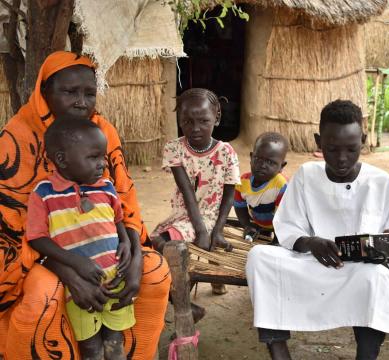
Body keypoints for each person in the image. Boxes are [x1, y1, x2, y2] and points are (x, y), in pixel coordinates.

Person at [246, 100, 389, 360]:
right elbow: (287, 226)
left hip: (360, 270)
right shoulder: (307, 175)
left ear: (363, 140)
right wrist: (311, 243)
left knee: (375, 279)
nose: (342, 158)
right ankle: (278, 351)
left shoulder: (381, 182)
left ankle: (366, 356)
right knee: (260, 258)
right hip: (312, 264)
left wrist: (383, 248)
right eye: (332, 149)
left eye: (351, 149)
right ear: (319, 142)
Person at [0, 51, 171, 359]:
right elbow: (15, 229)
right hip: (38, 257)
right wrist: (66, 270)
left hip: (106, 247)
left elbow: (123, 198)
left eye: (89, 93)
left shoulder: (101, 131)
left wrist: (132, 254)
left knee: (155, 272)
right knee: (45, 294)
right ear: (45, 92)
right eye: (69, 92)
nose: (81, 101)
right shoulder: (18, 137)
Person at [26, 119, 136, 360]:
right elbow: (36, 238)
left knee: (115, 343)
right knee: (91, 348)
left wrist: (125, 242)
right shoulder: (44, 194)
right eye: (94, 157)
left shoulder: (106, 186)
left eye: (103, 157)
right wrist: (75, 263)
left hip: (115, 280)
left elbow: (118, 219)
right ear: (62, 159)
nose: (102, 164)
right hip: (81, 288)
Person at [151, 88, 240, 299]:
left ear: (216, 118)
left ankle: (180, 297)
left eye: (203, 121)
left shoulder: (226, 152)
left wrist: (215, 231)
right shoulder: (174, 149)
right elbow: (187, 193)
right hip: (184, 215)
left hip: (209, 217)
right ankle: (184, 289)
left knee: (164, 242)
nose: (195, 128)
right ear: (179, 119)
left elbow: (229, 197)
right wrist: (200, 232)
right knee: (154, 240)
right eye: (187, 122)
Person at [234, 132, 288, 242]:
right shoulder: (242, 182)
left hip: (282, 226)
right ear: (251, 157)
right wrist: (247, 226)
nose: (262, 165)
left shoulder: (281, 186)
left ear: (281, 166)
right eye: (258, 158)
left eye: (270, 162)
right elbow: (240, 207)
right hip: (259, 223)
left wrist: (277, 241)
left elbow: (284, 218)